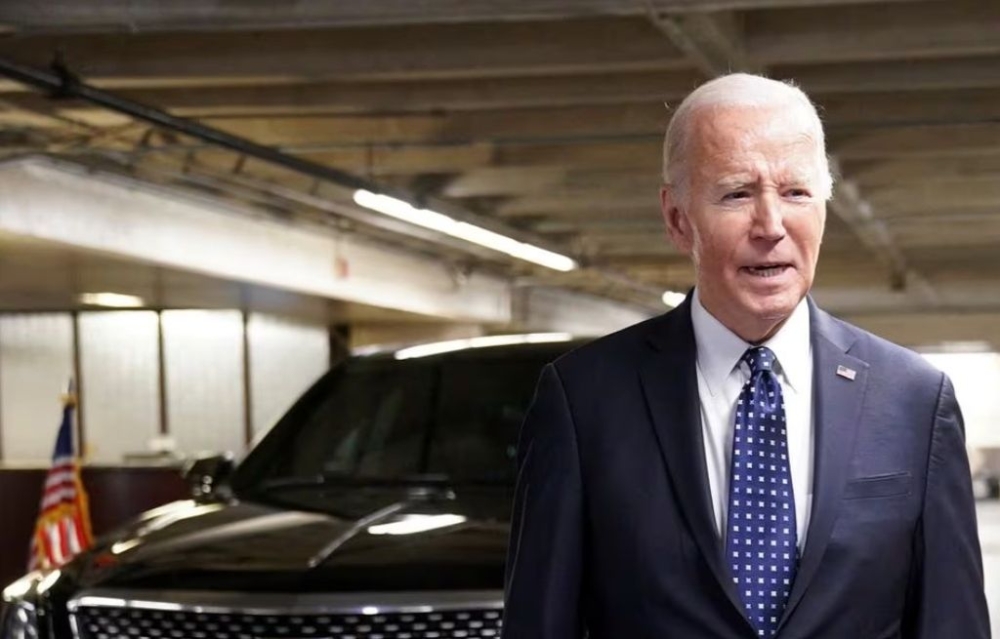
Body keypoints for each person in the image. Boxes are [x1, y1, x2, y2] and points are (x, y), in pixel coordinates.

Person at [502, 73, 990, 639]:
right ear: (677, 218)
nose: (772, 226)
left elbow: (952, 623)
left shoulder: (913, 400)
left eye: (796, 192)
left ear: (824, 209)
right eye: (737, 193)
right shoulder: (583, 399)